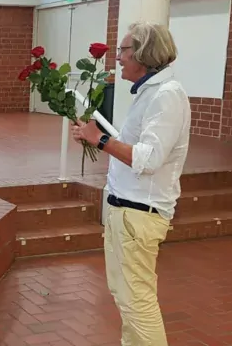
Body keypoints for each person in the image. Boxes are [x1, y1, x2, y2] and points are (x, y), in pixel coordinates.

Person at [71, 22, 189, 346]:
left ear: (142, 54)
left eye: (123, 51)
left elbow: (149, 160)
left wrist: (103, 140)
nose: (118, 58)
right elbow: (134, 145)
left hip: (139, 212)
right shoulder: (150, 93)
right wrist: (94, 138)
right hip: (126, 210)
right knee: (126, 297)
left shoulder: (166, 97)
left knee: (137, 301)